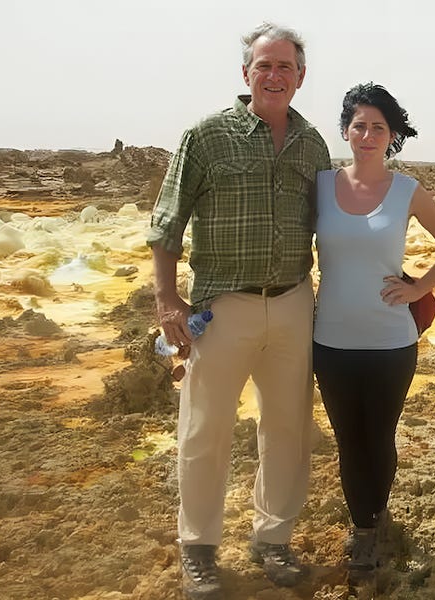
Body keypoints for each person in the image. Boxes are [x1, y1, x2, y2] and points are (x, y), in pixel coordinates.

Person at [147, 22, 331, 599]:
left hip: (293, 302)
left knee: (288, 429)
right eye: (264, 65)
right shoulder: (206, 137)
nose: (274, 75)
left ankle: (273, 538)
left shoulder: (313, 144)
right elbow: (166, 222)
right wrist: (166, 299)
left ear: (301, 77)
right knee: (205, 430)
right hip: (222, 306)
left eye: (285, 67)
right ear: (245, 73)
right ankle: (198, 548)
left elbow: (329, 226)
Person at [313, 83, 435, 571]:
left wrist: (418, 289)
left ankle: (372, 527)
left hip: (390, 342)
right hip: (330, 340)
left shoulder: (407, 191)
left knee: (379, 437)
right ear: (345, 131)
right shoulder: (320, 185)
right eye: (359, 125)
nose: (367, 135)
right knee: (347, 439)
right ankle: (362, 523)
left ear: (392, 135)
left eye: (378, 127)